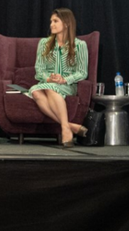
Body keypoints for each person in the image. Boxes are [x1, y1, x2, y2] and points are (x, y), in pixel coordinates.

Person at [27, 8, 89, 148]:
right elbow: (39, 70)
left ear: (66, 23)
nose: (51, 25)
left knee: (49, 89)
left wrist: (64, 80)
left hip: (68, 85)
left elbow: (82, 72)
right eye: (51, 21)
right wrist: (49, 79)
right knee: (36, 91)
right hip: (47, 83)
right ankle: (68, 127)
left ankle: (66, 128)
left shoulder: (79, 45)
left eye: (55, 21)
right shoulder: (44, 43)